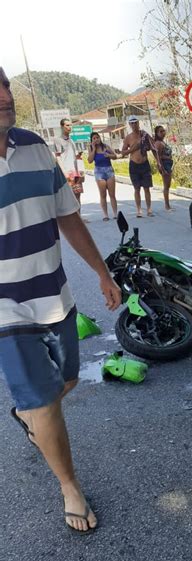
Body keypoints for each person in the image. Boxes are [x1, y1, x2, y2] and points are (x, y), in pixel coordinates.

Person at [0, 67, 122, 533]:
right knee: (47, 399)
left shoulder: (34, 147)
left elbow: (69, 218)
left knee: (65, 381)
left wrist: (102, 275)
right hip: (6, 311)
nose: (6, 96)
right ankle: (70, 485)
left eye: (7, 85)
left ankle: (29, 412)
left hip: (55, 295)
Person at [120, 115, 161, 218]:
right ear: (129, 124)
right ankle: (138, 210)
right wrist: (132, 149)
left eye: (136, 122)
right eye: (132, 123)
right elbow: (123, 152)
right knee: (137, 189)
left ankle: (149, 209)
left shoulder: (144, 135)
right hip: (134, 165)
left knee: (146, 188)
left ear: (138, 123)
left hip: (144, 164)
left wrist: (158, 162)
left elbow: (153, 148)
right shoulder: (128, 137)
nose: (134, 125)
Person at [53, 118, 87, 221]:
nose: (69, 127)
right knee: (70, 197)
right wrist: (64, 172)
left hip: (75, 171)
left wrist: (80, 169)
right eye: (67, 125)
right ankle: (73, 220)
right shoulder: (58, 140)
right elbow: (58, 156)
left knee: (78, 196)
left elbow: (75, 156)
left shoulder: (71, 140)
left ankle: (79, 218)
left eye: (71, 125)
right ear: (62, 126)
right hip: (67, 172)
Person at [87, 132, 118, 221]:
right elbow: (90, 160)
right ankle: (105, 215)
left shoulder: (106, 147)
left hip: (109, 170)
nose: (96, 139)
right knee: (103, 194)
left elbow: (115, 156)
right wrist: (93, 149)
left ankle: (115, 214)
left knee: (112, 194)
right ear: (92, 140)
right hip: (99, 171)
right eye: (94, 138)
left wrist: (109, 155)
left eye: (97, 137)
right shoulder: (91, 148)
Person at [154, 125, 174, 211]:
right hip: (165, 164)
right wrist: (161, 167)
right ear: (157, 133)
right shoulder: (158, 143)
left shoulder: (163, 142)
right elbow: (158, 156)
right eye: (160, 131)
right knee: (166, 186)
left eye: (163, 131)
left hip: (168, 164)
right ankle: (167, 205)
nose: (163, 133)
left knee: (168, 185)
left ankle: (168, 204)